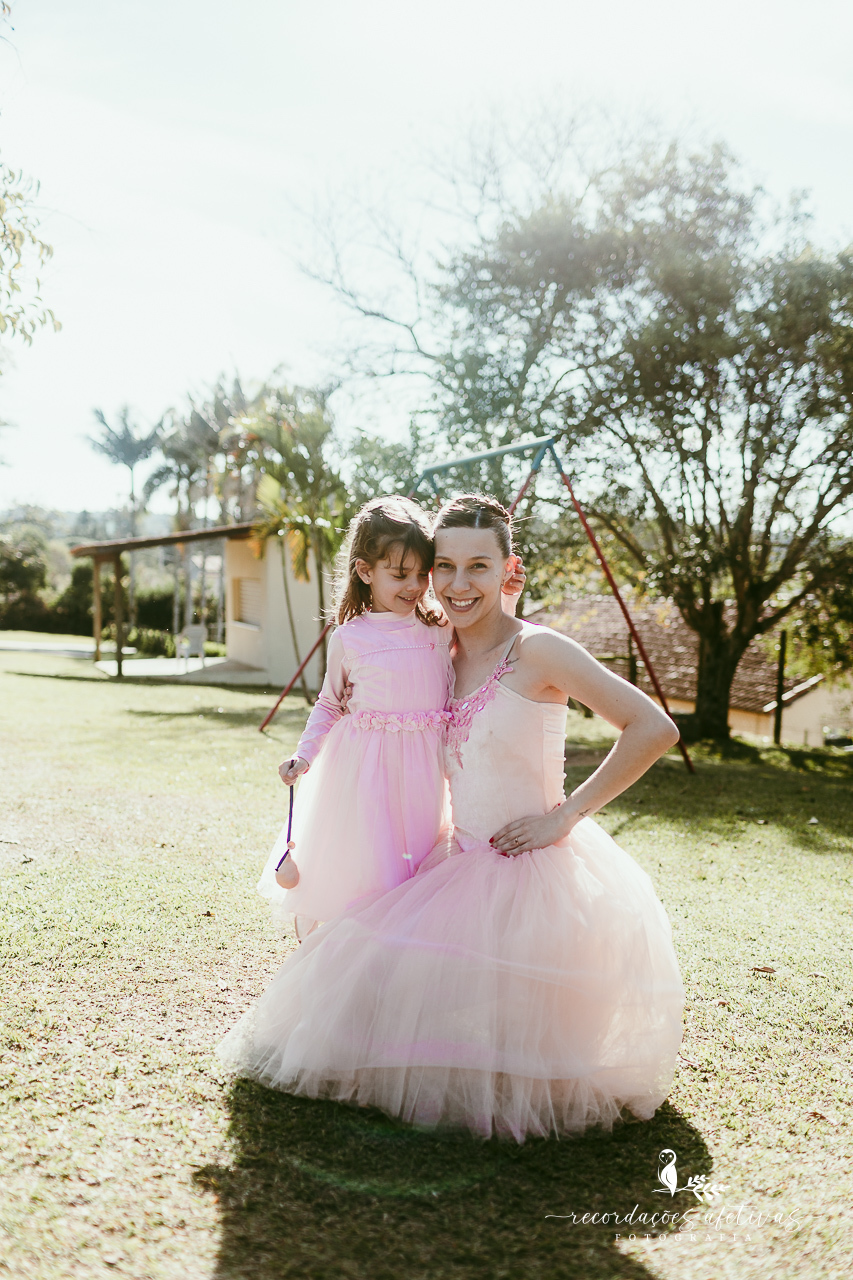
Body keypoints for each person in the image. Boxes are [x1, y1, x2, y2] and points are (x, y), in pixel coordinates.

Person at [220, 494, 686, 1142]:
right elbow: (372, 692)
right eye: (445, 566)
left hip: (529, 872)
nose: (456, 584)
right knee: (350, 987)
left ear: (508, 569)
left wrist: (566, 817)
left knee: (477, 1037)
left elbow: (653, 728)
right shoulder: (443, 647)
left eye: (478, 567)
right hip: (453, 861)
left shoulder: (541, 650)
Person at [259, 494, 523, 939]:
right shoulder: (351, 638)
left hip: (424, 772)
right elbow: (329, 702)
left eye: (422, 574)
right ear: (366, 571)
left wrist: (508, 598)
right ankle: (354, 947)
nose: (414, 586)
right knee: (370, 866)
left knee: (416, 862)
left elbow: (492, 640)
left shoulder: (438, 627)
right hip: (366, 772)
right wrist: (304, 755)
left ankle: (401, 946)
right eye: (400, 574)